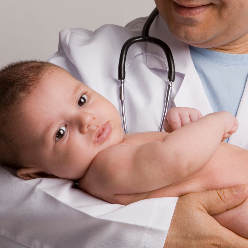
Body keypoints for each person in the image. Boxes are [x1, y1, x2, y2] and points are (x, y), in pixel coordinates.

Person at [2, 60, 248, 239]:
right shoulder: (106, 168)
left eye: (82, 100)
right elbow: (177, 159)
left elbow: (169, 162)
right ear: (37, 173)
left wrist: (179, 129)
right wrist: (215, 123)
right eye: (60, 133)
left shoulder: (118, 152)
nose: (86, 120)